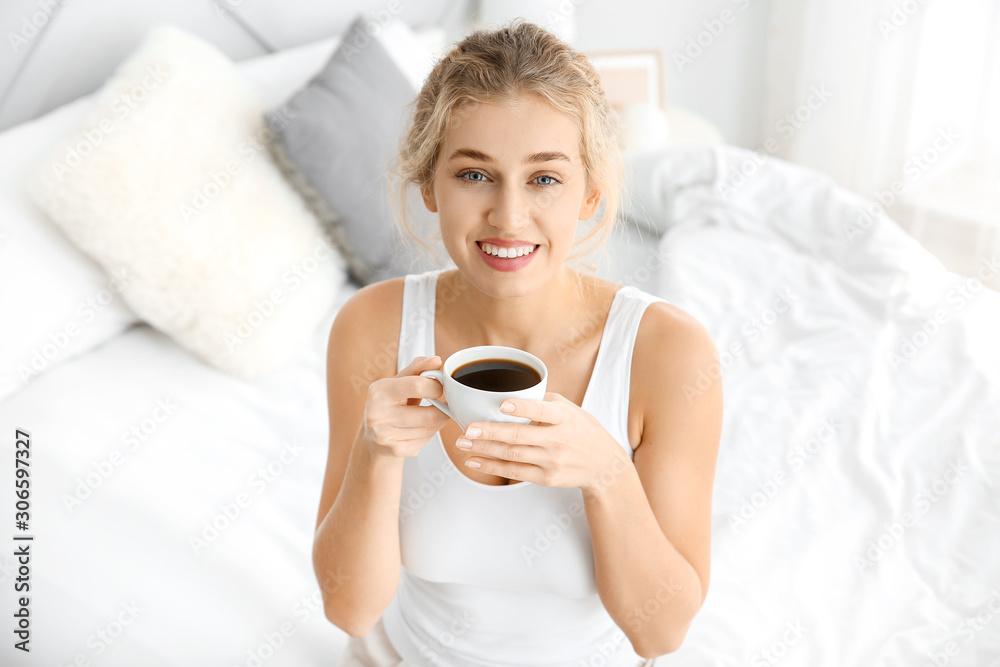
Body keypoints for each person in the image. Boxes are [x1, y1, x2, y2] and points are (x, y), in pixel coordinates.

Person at [313, 19, 722, 666]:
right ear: (429, 184)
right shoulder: (370, 327)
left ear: (590, 192)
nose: (508, 216)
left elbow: (661, 632)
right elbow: (350, 608)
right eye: (475, 175)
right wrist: (375, 453)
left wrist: (605, 472)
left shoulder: (668, 353)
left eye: (544, 179)